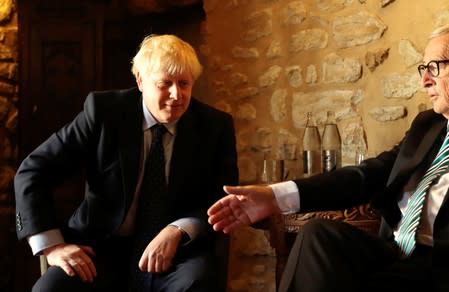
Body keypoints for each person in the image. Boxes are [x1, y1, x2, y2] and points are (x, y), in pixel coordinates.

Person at [208, 24, 449, 292]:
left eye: (435, 67)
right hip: (393, 252)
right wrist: (274, 198)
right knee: (317, 234)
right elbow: (368, 176)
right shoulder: (428, 125)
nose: (425, 80)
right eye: (423, 68)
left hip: (437, 268)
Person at [15, 34, 238, 292]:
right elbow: (33, 171)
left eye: (184, 83)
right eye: (165, 83)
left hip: (177, 254)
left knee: (198, 282)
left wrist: (179, 230)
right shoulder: (104, 112)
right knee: (49, 290)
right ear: (141, 81)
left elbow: (222, 200)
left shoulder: (214, 126)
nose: (177, 95)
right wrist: (52, 246)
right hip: (100, 249)